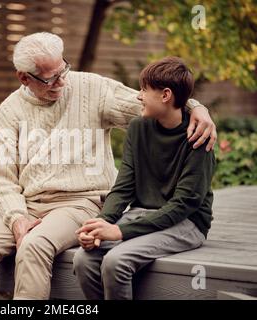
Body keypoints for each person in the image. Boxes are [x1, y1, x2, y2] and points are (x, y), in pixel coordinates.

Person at [0, 32, 217, 300]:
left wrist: (197, 106)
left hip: (80, 202)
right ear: (24, 78)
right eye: (50, 78)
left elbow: (154, 102)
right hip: (29, 204)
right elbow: (2, 180)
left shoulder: (92, 89)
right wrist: (17, 218)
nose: (61, 82)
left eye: (63, 70)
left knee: (33, 246)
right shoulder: (8, 111)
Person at [73, 56, 216, 300]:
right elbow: (123, 188)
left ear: (165, 95)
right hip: (142, 214)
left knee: (116, 261)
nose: (138, 96)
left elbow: (184, 205)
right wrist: (101, 224)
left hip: (187, 223)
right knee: (83, 259)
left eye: (144, 90)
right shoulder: (138, 128)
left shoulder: (198, 137)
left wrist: (120, 232)